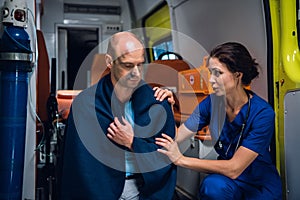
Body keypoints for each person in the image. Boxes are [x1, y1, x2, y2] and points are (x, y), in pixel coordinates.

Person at [154, 42, 282, 199]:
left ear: (237, 75)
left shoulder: (262, 113)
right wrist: (170, 106)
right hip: (227, 181)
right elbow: (177, 136)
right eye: (210, 73)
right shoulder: (211, 103)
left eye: (218, 73)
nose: (211, 80)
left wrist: (181, 160)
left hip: (258, 183)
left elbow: (234, 169)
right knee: (212, 186)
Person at [58, 31, 177, 200]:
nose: (136, 73)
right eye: (128, 66)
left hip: (142, 186)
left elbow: (167, 155)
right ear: (109, 62)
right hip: (99, 188)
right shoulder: (85, 105)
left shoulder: (157, 101)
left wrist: (132, 142)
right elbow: (80, 168)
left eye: (140, 65)